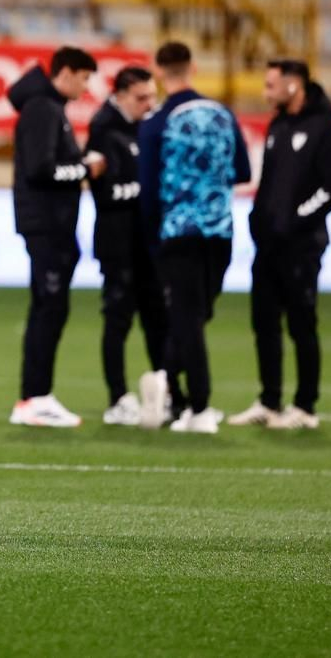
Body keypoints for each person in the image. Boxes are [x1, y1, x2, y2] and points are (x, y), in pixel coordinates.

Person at [135, 41, 251, 435]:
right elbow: (243, 171)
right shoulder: (222, 115)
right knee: (199, 315)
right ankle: (173, 388)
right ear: (193, 68)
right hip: (220, 231)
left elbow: (147, 190)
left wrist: (153, 241)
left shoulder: (156, 123)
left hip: (178, 232)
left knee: (187, 319)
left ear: (160, 72)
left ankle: (195, 405)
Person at [229, 59, 331, 431]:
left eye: (270, 85)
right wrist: (258, 219)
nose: (265, 93)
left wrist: (298, 219)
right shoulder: (279, 125)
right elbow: (270, 183)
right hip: (268, 245)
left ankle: (305, 406)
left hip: (302, 247)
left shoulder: (325, 127)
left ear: (294, 85)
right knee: (264, 323)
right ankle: (269, 400)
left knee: (301, 324)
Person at [7, 46, 105, 428]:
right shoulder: (43, 109)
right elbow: (41, 170)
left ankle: (38, 395)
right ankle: (34, 397)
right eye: (84, 77)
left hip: (51, 225)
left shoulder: (48, 108)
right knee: (48, 309)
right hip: (46, 225)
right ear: (66, 72)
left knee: (52, 309)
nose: (86, 87)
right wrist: (85, 167)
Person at [86, 64, 166, 426]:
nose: (150, 104)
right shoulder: (104, 127)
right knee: (118, 320)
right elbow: (107, 190)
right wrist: (147, 192)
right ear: (120, 96)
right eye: (142, 97)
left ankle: (165, 392)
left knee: (156, 319)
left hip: (147, 242)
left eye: (153, 96)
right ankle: (117, 397)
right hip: (119, 244)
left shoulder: (147, 126)